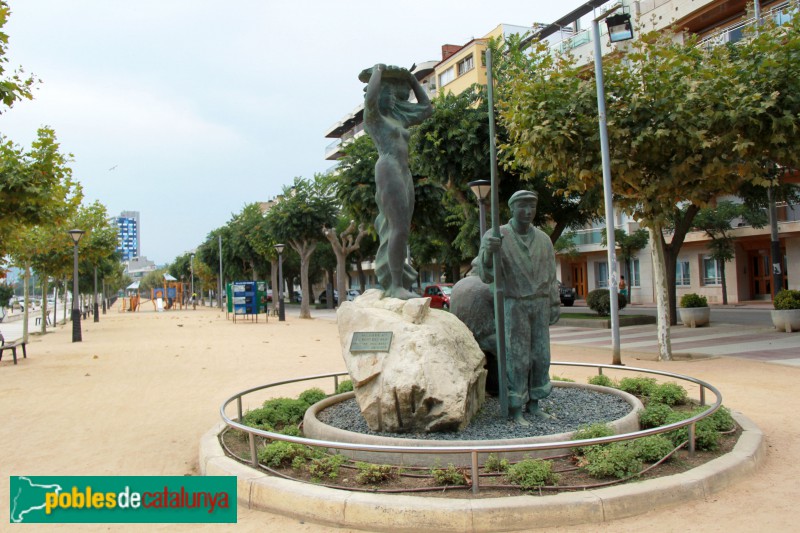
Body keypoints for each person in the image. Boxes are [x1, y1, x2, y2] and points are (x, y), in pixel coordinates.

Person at [472, 190, 560, 425]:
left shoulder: (543, 239)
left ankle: (535, 403)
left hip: (540, 303)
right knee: (517, 356)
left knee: (540, 355)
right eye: (522, 206)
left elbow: (552, 275)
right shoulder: (497, 236)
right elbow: (486, 275)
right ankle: (515, 407)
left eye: (532, 206)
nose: (528, 211)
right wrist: (489, 253)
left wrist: (554, 302)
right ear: (512, 208)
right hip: (514, 303)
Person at [361, 63, 432, 299]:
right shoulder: (375, 120)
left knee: (403, 229)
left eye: (393, 96)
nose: (391, 100)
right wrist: (378, 72)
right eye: (387, 94)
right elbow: (370, 100)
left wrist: (413, 81)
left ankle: (397, 282)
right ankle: (396, 286)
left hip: (404, 171)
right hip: (388, 167)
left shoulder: (399, 119)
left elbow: (426, 108)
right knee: (397, 228)